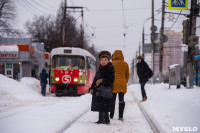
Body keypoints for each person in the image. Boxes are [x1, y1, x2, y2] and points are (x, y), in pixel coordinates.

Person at [90, 50, 115, 124]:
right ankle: (104, 120)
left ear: (108, 60)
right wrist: (92, 88)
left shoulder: (110, 69)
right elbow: (95, 79)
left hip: (106, 89)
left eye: (105, 60)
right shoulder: (100, 69)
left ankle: (104, 120)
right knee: (101, 104)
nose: (103, 61)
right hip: (99, 89)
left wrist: (102, 81)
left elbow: (111, 79)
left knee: (104, 105)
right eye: (102, 60)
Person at [110, 50, 129, 120]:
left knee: (112, 100)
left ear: (114, 55)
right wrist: (125, 81)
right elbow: (127, 75)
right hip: (122, 84)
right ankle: (120, 116)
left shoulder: (112, 64)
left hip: (113, 84)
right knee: (121, 100)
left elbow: (110, 74)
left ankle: (111, 115)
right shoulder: (126, 64)